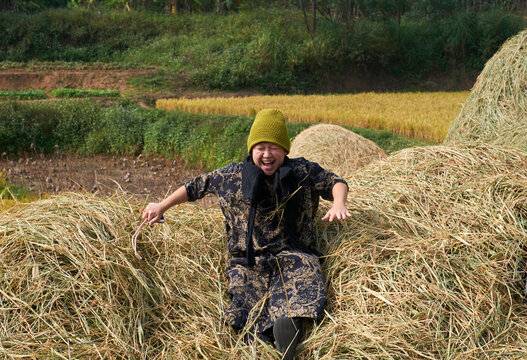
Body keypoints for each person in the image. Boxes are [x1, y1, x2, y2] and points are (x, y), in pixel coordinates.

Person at [142, 108, 351, 359]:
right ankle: (265, 337)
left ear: (284, 149)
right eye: (260, 147)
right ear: (252, 149)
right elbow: (194, 187)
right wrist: (161, 205)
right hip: (248, 262)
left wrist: (339, 203)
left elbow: (335, 182)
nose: (266, 154)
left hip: (294, 256)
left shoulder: (302, 171)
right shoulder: (232, 175)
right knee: (245, 306)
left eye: (273, 147)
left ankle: (287, 330)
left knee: (302, 288)